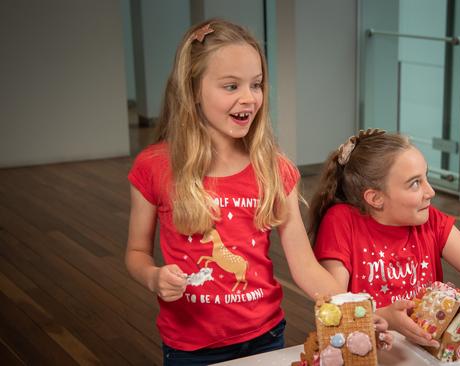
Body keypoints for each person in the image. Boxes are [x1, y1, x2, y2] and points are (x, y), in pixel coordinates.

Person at [125, 19, 367, 365]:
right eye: (230, 86)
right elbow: (136, 251)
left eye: (257, 85)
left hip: (266, 338)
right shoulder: (154, 167)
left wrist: (358, 311)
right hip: (190, 349)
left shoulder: (275, 169)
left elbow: (304, 266)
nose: (249, 98)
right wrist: (153, 277)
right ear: (193, 89)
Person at [309, 129, 460, 348]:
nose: (431, 192)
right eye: (415, 183)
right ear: (375, 198)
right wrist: (387, 318)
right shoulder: (341, 222)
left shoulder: (430, 221)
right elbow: (333, 313)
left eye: (426, 178)